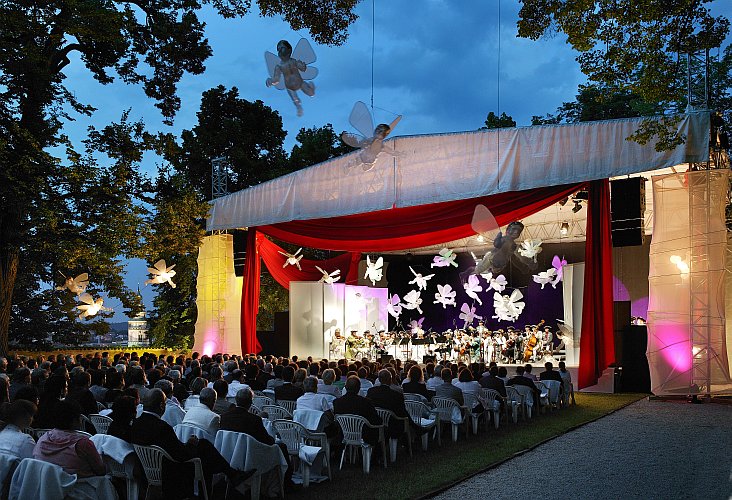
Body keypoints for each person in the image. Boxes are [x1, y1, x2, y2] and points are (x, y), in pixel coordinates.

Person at [131, 389, 254, 498]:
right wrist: (191, 444)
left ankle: (232, 475)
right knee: (205, 455)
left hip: (148, 470)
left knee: (204, 446)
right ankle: (229, 477)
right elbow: (181, 455)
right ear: (162, 406)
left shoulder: (136, 424)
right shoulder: (162, 427)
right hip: (170, 472)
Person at [33, 400, 106, 478]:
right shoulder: (83, 444)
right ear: (75, 420)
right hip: (80, 487)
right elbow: (100, 470)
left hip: (47, 486)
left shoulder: (43, 438)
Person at [333, 376, 382, 446]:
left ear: (345, 387)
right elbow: (376, 420)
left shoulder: (337, 402)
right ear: (359, 388)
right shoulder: (366, 402)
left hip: (344, 435)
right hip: (364, 436)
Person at [366, 370, 409, 439]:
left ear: (379, 379)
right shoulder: (396, 395)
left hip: (375, 424)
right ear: (390, 380)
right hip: (392, 426)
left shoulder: (371, 391)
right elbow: (402, 413)